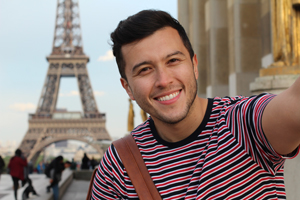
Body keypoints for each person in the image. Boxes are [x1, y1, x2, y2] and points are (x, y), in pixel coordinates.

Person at [91, 10, 300, 199]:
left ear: (194, 65)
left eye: (173, 60)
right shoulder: (117, 165)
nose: (163, 80)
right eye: (145, 69)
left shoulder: (244, 123)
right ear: (127, 88)